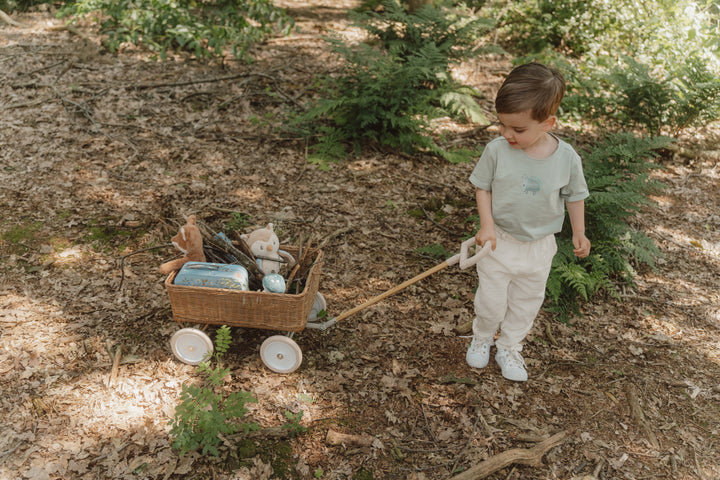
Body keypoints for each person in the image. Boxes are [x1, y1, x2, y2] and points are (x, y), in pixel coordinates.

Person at [466, 62, 591, 382]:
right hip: (500, 242)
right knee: (491, 301)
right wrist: (487, 226)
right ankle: (482, 336)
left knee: (525, 304)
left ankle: (509, 346)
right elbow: (483, 187)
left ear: (548, 123)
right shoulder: (496, 150)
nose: (508, 134)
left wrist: (579, 231)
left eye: (518, 129)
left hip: (539, 248)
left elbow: (575, 195)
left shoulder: (567, 159)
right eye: (503, 125)